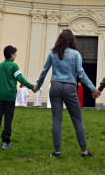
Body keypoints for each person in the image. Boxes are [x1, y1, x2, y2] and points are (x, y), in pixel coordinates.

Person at [35, 29, 99, 158]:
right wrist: (93, 89)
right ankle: (84, 151)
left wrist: (38, 85)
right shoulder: (76, 54)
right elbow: (81, 73)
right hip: (70, 87)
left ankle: (57, 151)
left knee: (56, 120)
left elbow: (44, 71)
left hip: (55, 86)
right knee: (77, 120)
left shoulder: (53, 54)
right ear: (72, 40)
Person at [0, 45, 36, 149]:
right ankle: (5, 142)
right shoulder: (14, 66)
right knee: (8, 119)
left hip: (0, 97)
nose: (16, 56)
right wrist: (32, 87)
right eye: (15, 54)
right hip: (10, 97)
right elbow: (21, 79)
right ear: (11, 55)